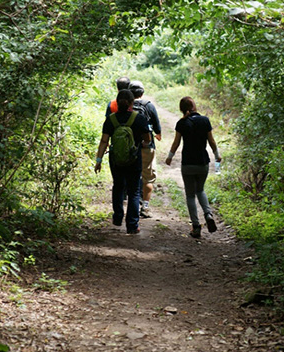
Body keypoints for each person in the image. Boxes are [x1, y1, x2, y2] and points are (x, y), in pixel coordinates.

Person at [95, 89, 153, 234]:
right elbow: (147, 139)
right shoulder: (138, 118)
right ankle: (132, 225)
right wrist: (142, 144)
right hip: (134, 159)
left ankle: (118, 217)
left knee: (118, 186)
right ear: (131, 103)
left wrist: (98, 160)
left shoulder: (111, 119)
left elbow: (104, 141)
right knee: (134, 191)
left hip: (116, 160)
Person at [164, 96, 222, 238]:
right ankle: (208, 214)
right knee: (200, 190)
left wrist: (169, 157)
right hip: (203, 163)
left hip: (188, 164)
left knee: (190, 195)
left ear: (182, 109)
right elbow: (212, 141)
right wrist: (217, 155)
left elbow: (176, 143)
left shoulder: (181, 123)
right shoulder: (205, 120)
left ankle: (196, 226)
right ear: (194, 106)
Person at [129, 80, 162, 218]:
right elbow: (158, 129)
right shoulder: (149, 106)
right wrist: (157, 135)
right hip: (147, 146)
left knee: (132, 177)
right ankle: (145, 207)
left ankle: (133, 206)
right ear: (142, 92)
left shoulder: (126, 106)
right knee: (147, 179)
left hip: (130, 148)